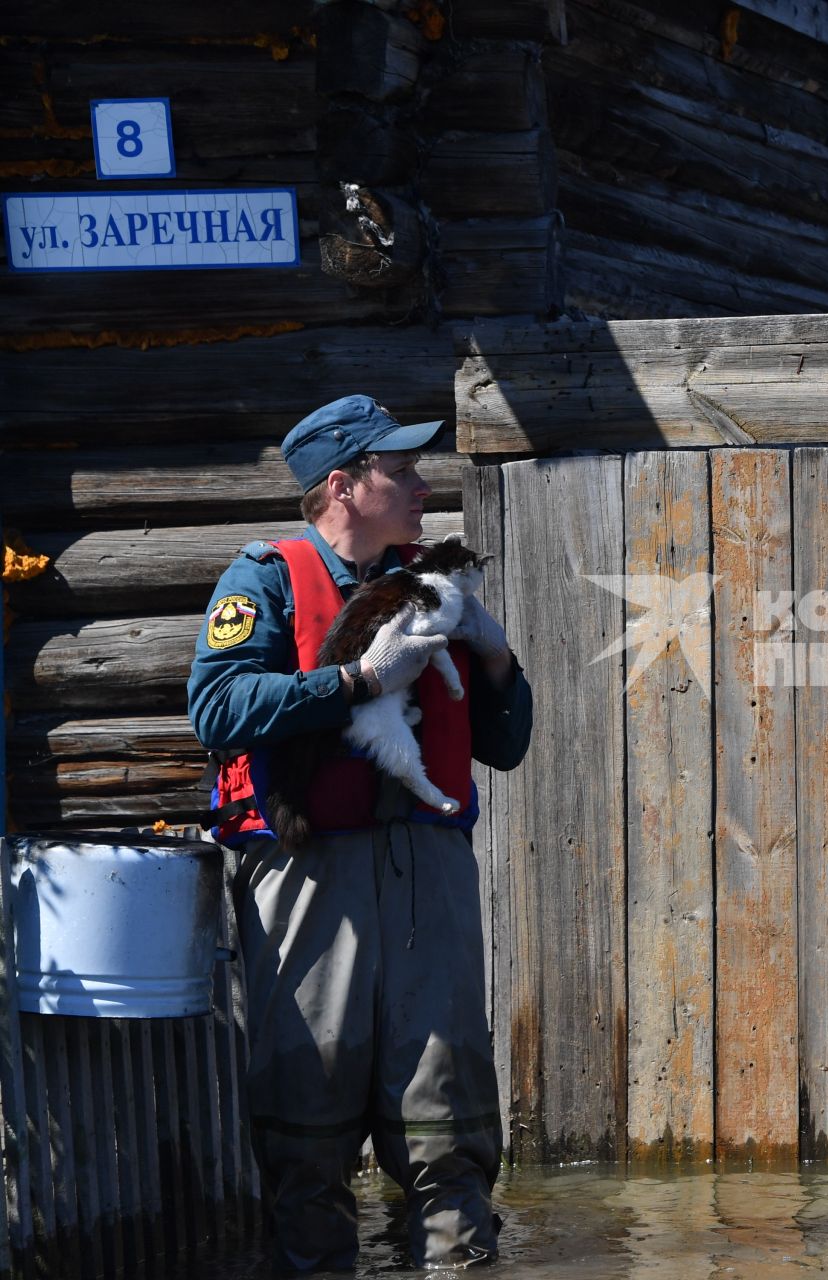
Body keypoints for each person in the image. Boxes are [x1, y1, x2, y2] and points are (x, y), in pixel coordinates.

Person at [188, 395, 533, 1270]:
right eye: (401, 470)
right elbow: (216, 706)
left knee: (446, 1120)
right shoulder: (266, 577)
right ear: (341, 485)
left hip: (429, 878)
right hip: (308, 877)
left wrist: (495, 659)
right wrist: (354, 683)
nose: (423, 485)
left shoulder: (433, 582)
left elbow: (505, 744)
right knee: (308, 1124)